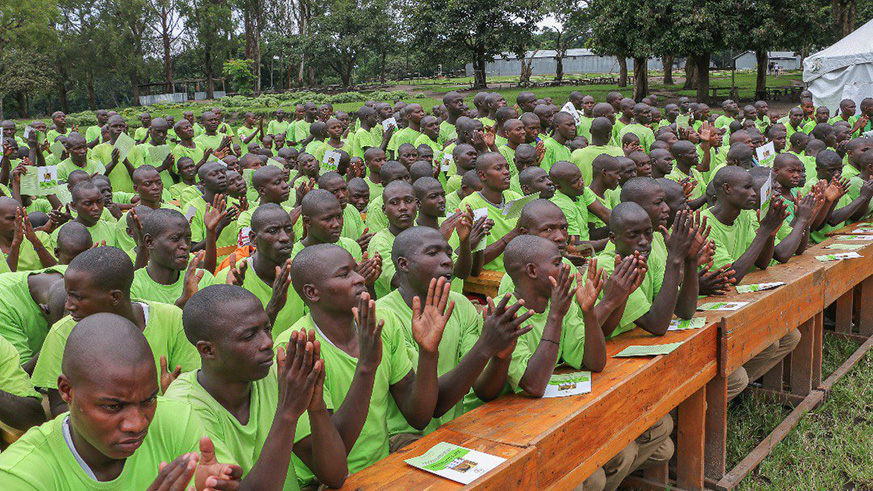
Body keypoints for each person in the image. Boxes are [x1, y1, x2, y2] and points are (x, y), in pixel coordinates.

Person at [0, 313, 243, 490]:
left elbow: (215, 476)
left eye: (149, 400)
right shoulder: (20, 475)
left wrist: (221, 484)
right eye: (113, 406)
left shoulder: (176, 419)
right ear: (67, 391)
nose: (137, 424)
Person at [274, 244, 446, 475]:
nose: (359, 279)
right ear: (312, 293)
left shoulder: (383, 321)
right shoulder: (298, 346)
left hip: (381, 466)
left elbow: (418, 416)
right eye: (344, 274)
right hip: (325, 481)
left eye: (356, 270)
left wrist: (428, 353)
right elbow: (333, 461)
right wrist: (366, 366)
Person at [167, 284, 348, 490]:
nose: (267, 342)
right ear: (207, 350)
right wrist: (287, 411)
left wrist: (316, 407)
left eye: (267, 328)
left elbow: (335, 476)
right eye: (248, 336)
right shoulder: (185, 406)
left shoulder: (272, 375)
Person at [379, 227, 533, 448]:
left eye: (448, 254)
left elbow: (484, 391)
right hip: (405, 435)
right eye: (433, 253)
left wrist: (501, 357)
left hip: (456, 426)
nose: (446, 261)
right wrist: (485, 347)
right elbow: (430, 410)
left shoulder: (459, 304)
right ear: (404, 265)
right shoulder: (384, 316)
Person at [31, 246, 201, 416]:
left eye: (78, 297)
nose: (68, 305)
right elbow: (60, 407)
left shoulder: (170, 319)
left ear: (115, 297)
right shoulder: (63, 333)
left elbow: (191, 388)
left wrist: (169, 399)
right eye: (68, 295)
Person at [217, 204, 306, 337]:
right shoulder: (229, 279)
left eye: (288, 229)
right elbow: (233, 340)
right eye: (273, 231)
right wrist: (274, 305)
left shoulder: (302, 272)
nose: (284, 237)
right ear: (253, 238)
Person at [702, 166, 786, 282]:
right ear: (727, 188)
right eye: (747, 188)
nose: (753, 193)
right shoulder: (704, 224)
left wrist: (769, 235)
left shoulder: (743, 215)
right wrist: (764, 231)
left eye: (752, 188)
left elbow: (762, 263)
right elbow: (730, 277)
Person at [131, 209, 217, 307]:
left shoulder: (202, 278)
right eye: (175, 239)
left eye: (188, 239)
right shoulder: (133, 286)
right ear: (149, 242)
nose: (185, 246)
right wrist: (180, 306)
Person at [458, 152, 522, 271]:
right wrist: (513, 234)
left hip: (518, 270)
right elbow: (472, 260)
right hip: (490, 276)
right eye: (498, 168)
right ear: (483, 176)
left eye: (507, 167)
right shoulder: (471, 205)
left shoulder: (514, 197)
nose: (506, 172)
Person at [368, 181, 418, 298]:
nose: (403, 208)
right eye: (394, 203)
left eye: (408, 201)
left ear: (417, 204)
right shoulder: (379, 242)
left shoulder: (424, 234)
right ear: (384, 210)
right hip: (392, 312)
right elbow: (399, 281)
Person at [186, 161, 241, 261]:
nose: (221, 176)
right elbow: (191, 248)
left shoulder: (238, 204)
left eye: (223, 172)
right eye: (214, 174)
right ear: (202, 182)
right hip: (210, 266)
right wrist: (219, 226)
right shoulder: (191, 208)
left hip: (240, 261)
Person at [48, 181, 116, 249]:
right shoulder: (60, 234)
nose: (96, 208)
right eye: (88, 203)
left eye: (99, 202)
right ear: (74, 206)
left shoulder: (113, 229)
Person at [571, 117, 623, 186]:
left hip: (586, 195)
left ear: (590, 131)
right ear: (609, 135)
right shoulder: (618, 152)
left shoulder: (577, 154)